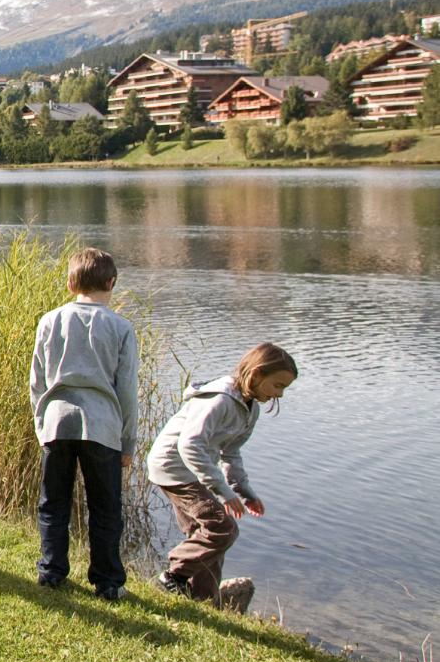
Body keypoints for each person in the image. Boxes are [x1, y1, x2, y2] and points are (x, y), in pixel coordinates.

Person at [148, 342, 296, 605]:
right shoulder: (220, 399)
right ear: (256, 374)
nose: (280, 394)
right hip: (174, 467)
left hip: (193, 469)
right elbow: (189, 445)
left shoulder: (250, 408)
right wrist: (223, 492)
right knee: (223, 528)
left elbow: (231, 452)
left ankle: (204, 600)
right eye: (278, 385)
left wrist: (243, 491)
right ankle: (173, 575)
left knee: (204, 533)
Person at [29, 247, 139, 601]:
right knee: (105, 508)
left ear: (70, 283)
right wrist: (128, 443)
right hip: (102, 427)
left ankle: (51, 572)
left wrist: (40, 425)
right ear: (111, 283)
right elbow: (127, 391)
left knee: (53, 502)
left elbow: (37, 381)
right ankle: (107, 582)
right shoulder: (121, 328)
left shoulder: (50, 321)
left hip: (57, 423)